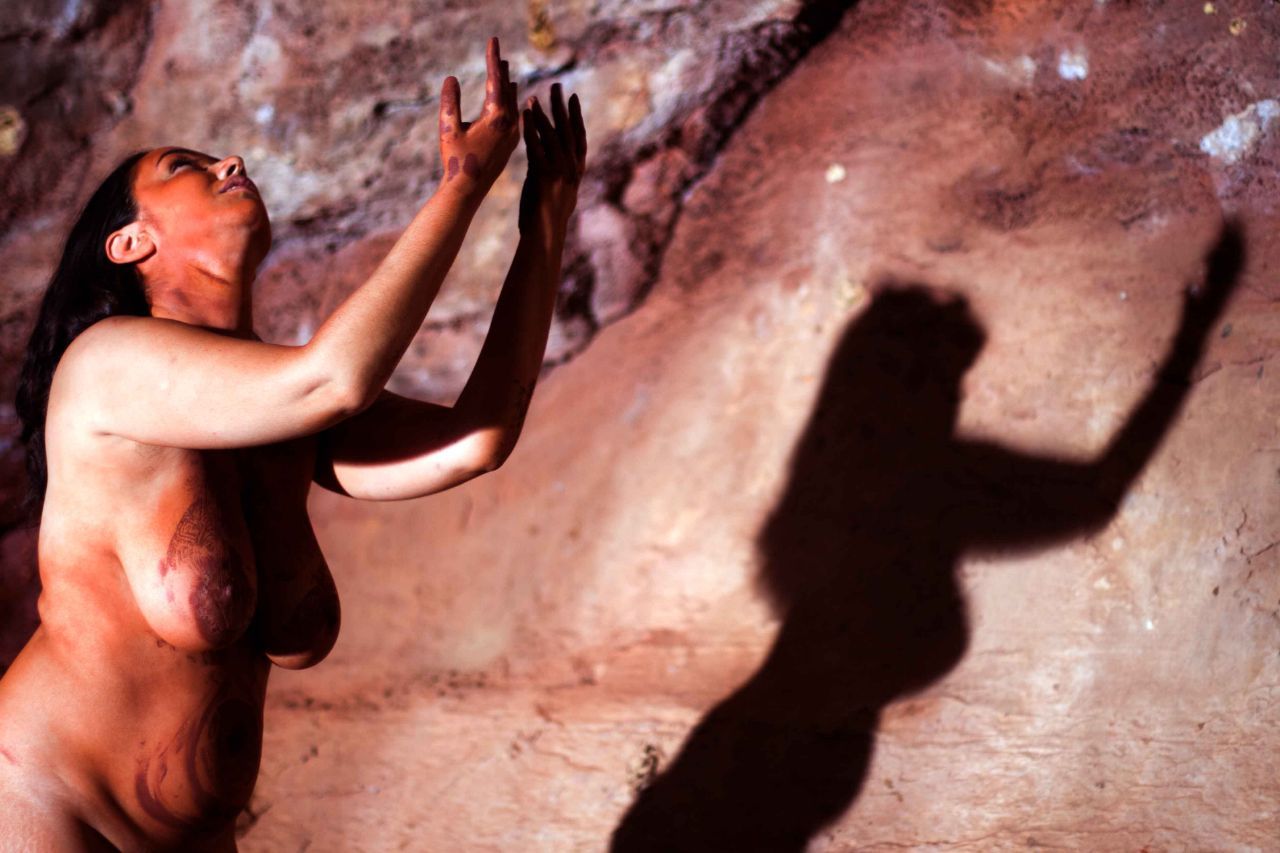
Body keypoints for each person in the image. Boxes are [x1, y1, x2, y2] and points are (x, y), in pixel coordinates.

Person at [0, 36, 586, 850]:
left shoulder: (275, 412)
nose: (230, 160)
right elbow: (335, 379)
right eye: (185, 167)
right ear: (130, 243)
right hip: (46, 811)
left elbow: (474, 439)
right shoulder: (104, 368)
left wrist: (545, 224)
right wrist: (459, 187)